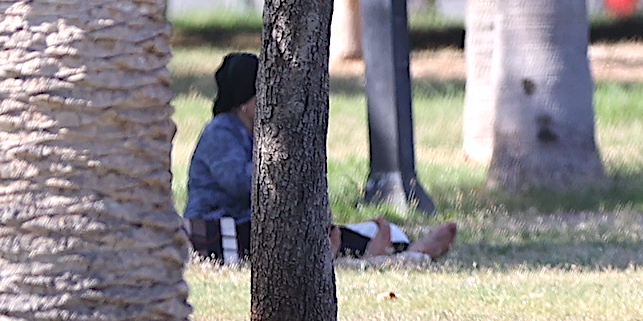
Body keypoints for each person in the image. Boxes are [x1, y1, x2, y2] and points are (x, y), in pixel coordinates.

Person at [180, 51, 454, 265]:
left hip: (259, 226)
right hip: (224, 230)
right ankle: (405, 254)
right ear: (245, 100)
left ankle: (397, 247)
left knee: (380, 231)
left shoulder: (255, 133)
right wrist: (282, 161)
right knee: (302, 238)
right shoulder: (221, 131)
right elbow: (242, 186)